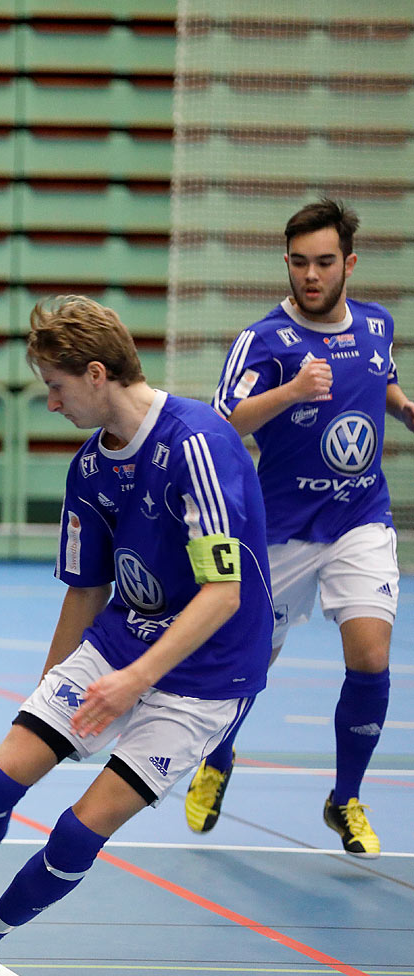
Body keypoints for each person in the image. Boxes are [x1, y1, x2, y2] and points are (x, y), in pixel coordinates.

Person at [0, 296, 273, 976]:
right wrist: (48, 689)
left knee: (83, 826)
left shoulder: (197, 443)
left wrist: (137, 679)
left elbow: (224, 593)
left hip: (210, 674)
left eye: (55, 386)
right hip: (120, 642)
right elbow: (85, 590)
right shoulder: (89, 469)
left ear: (94, 374)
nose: (50, 403)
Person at [187, 199, 408, 855]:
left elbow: (383, 383)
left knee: (370, 658)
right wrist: (289, 392)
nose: (311, 275)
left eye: (324, 262)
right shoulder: (264, 341)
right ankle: (217, 757)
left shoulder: (376, 324)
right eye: (300, 263)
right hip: (280, 528)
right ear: (287, 263)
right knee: (249, 668)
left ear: (349, 264)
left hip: (360, 517)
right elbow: (223, 424)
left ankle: (345, 799)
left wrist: (405, 409)